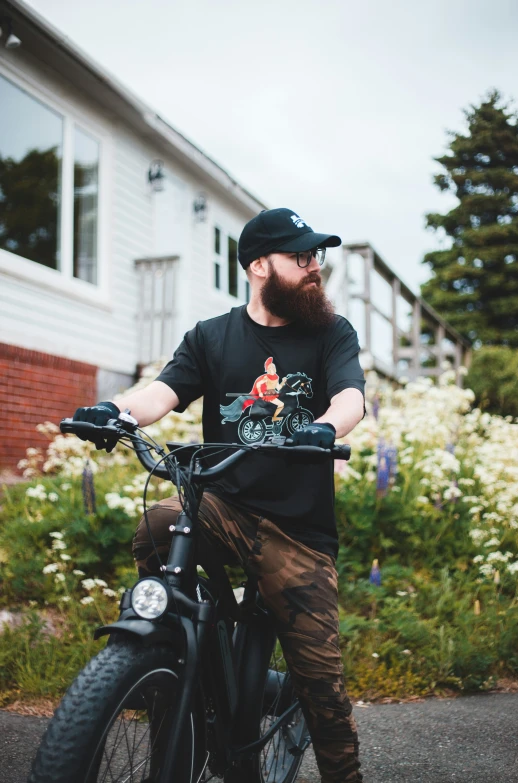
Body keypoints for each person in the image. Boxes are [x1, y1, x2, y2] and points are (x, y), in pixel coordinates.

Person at [73, 207, 366, 783]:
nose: (314, 269)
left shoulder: (331, 333)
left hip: (297, 532)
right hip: (225, 506)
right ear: (259, 266)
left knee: (322, 691)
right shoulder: (211, 336)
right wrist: (115, 412)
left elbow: (350, 395)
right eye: (301, 257)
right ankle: (177, 648)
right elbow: (162, 391)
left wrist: (327, 427)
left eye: (317, 257)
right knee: (159, 522)